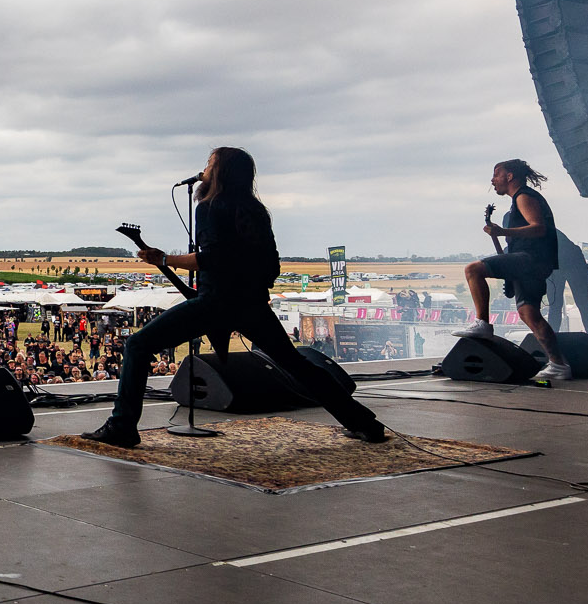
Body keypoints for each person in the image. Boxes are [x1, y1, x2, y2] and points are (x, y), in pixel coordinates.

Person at [82, 148, 385, 447]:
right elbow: (272, 265)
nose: (204, 168)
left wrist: (165, 260)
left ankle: (122, 426)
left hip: (216, 302)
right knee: (296, 364)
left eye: (209, 163)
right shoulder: (256, 211)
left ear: (220, 172)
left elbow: (210, 258)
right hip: (252, 303)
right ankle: (364, 423)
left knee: (138, 344)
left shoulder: (209, 207)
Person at [458, 160, 571, 383]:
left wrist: (502, 231)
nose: (492, 180)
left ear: (509, 176)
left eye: (496, 174)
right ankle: (559, 364)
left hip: (530, 260)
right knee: (529, 313)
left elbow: (538, 228)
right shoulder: (520, 199)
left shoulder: (523, 196)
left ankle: (483, 323)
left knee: (473, 270)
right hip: (535, 263)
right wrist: (500, 237)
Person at [546, 228, 588, 334]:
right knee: (582, 304)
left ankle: (551, 340)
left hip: (566, 261)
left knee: (556, 306)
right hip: (569, 260)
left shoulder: (533, 229)